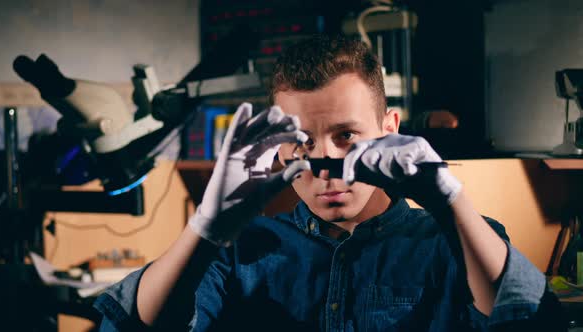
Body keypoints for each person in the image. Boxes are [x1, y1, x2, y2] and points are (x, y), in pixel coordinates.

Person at [94, 35, 564, 331]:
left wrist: (451, 205)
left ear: (390, 129)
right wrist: (204, 227)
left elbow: (532, 319)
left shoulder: (455, 241)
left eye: (346, 136)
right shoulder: (242, 253)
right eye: (300, 141)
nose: (324, 164)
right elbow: (137, 324)